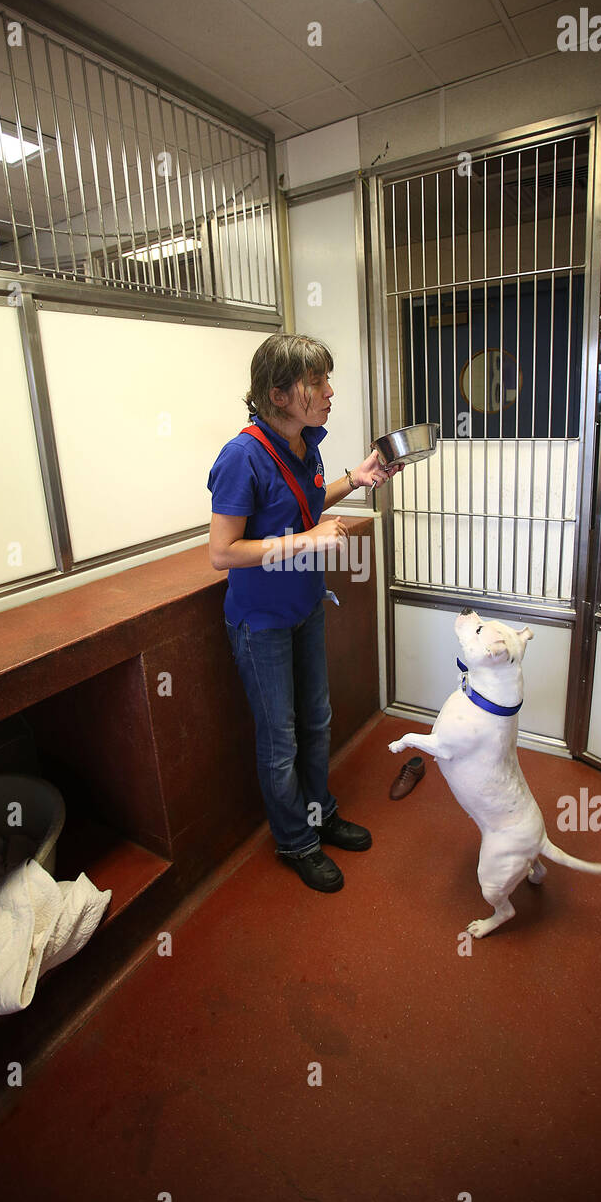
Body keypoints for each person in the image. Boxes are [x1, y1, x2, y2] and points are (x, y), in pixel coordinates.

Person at [207, 332, 402, 893]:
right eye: (316, 382)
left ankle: (320, 815)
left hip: (304, 607)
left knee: (316, 722)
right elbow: (222, 552)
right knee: (281, 739)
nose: (329, 392)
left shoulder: (303, 442)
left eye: (324, 379)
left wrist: (354, 480)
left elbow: (302, 505)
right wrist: (306, 540)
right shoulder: (242, 456)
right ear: (279, 394)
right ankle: (295, 840)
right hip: (260, 622)